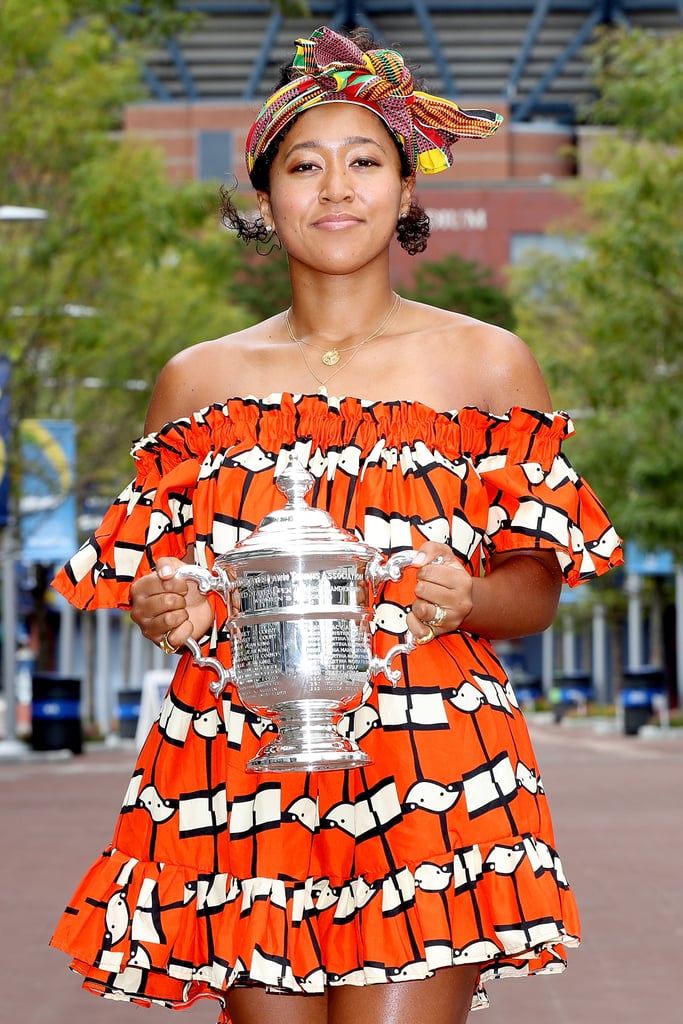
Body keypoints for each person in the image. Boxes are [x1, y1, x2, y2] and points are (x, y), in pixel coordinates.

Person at [50, 25, 623, 1024]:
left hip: (428, 761)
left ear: (406, 191)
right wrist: (165, 603)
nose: (336, 189)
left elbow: (533, 592)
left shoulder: (487, 364)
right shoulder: (195, 379)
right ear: (264, 199)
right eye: (304, 166)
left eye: (366, 162)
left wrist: (468, 597)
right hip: (236, 755)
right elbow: (162, 581)